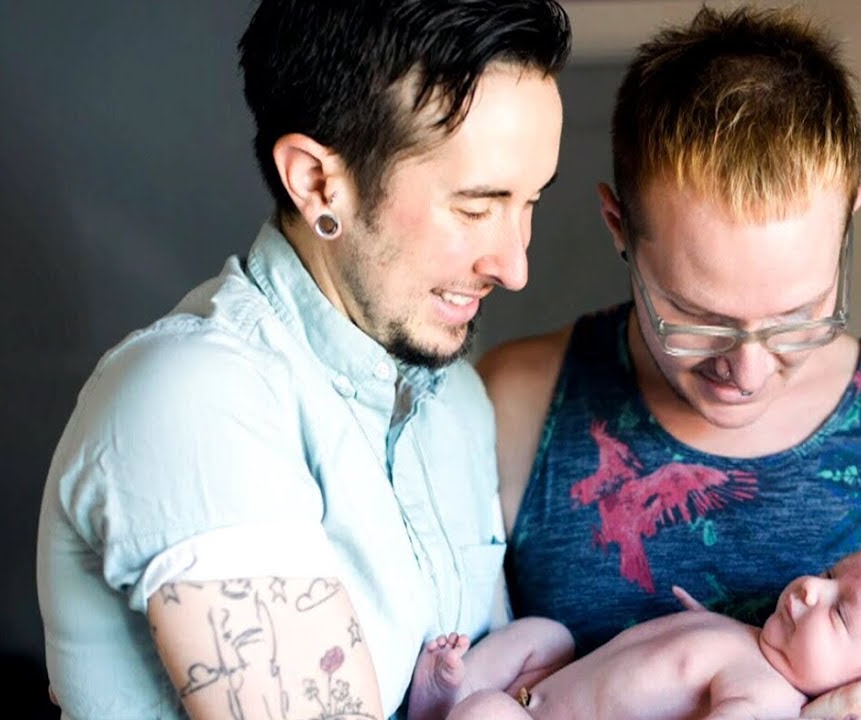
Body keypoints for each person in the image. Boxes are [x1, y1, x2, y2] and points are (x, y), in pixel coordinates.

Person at [476, 7, 861, 718]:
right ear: (619, 227)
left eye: (798, 316)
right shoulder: (515, 405)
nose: (748, 371)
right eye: (696, 318)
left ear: (846, 224)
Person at [34, 2, 570, 718]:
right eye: (477, 208)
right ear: (317, 183)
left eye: (530, 202)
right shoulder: (193, 401)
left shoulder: (457, 403)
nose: (514, 265)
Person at [408, 547, 861, 720]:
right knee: (547, 634)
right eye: (830, 574)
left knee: (486, 713)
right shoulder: (760, 644)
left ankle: (452, 705)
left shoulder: (771, 701)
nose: (809, 588)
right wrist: (702, 623)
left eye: (840, 613)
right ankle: (443, 694)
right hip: (549, 680)